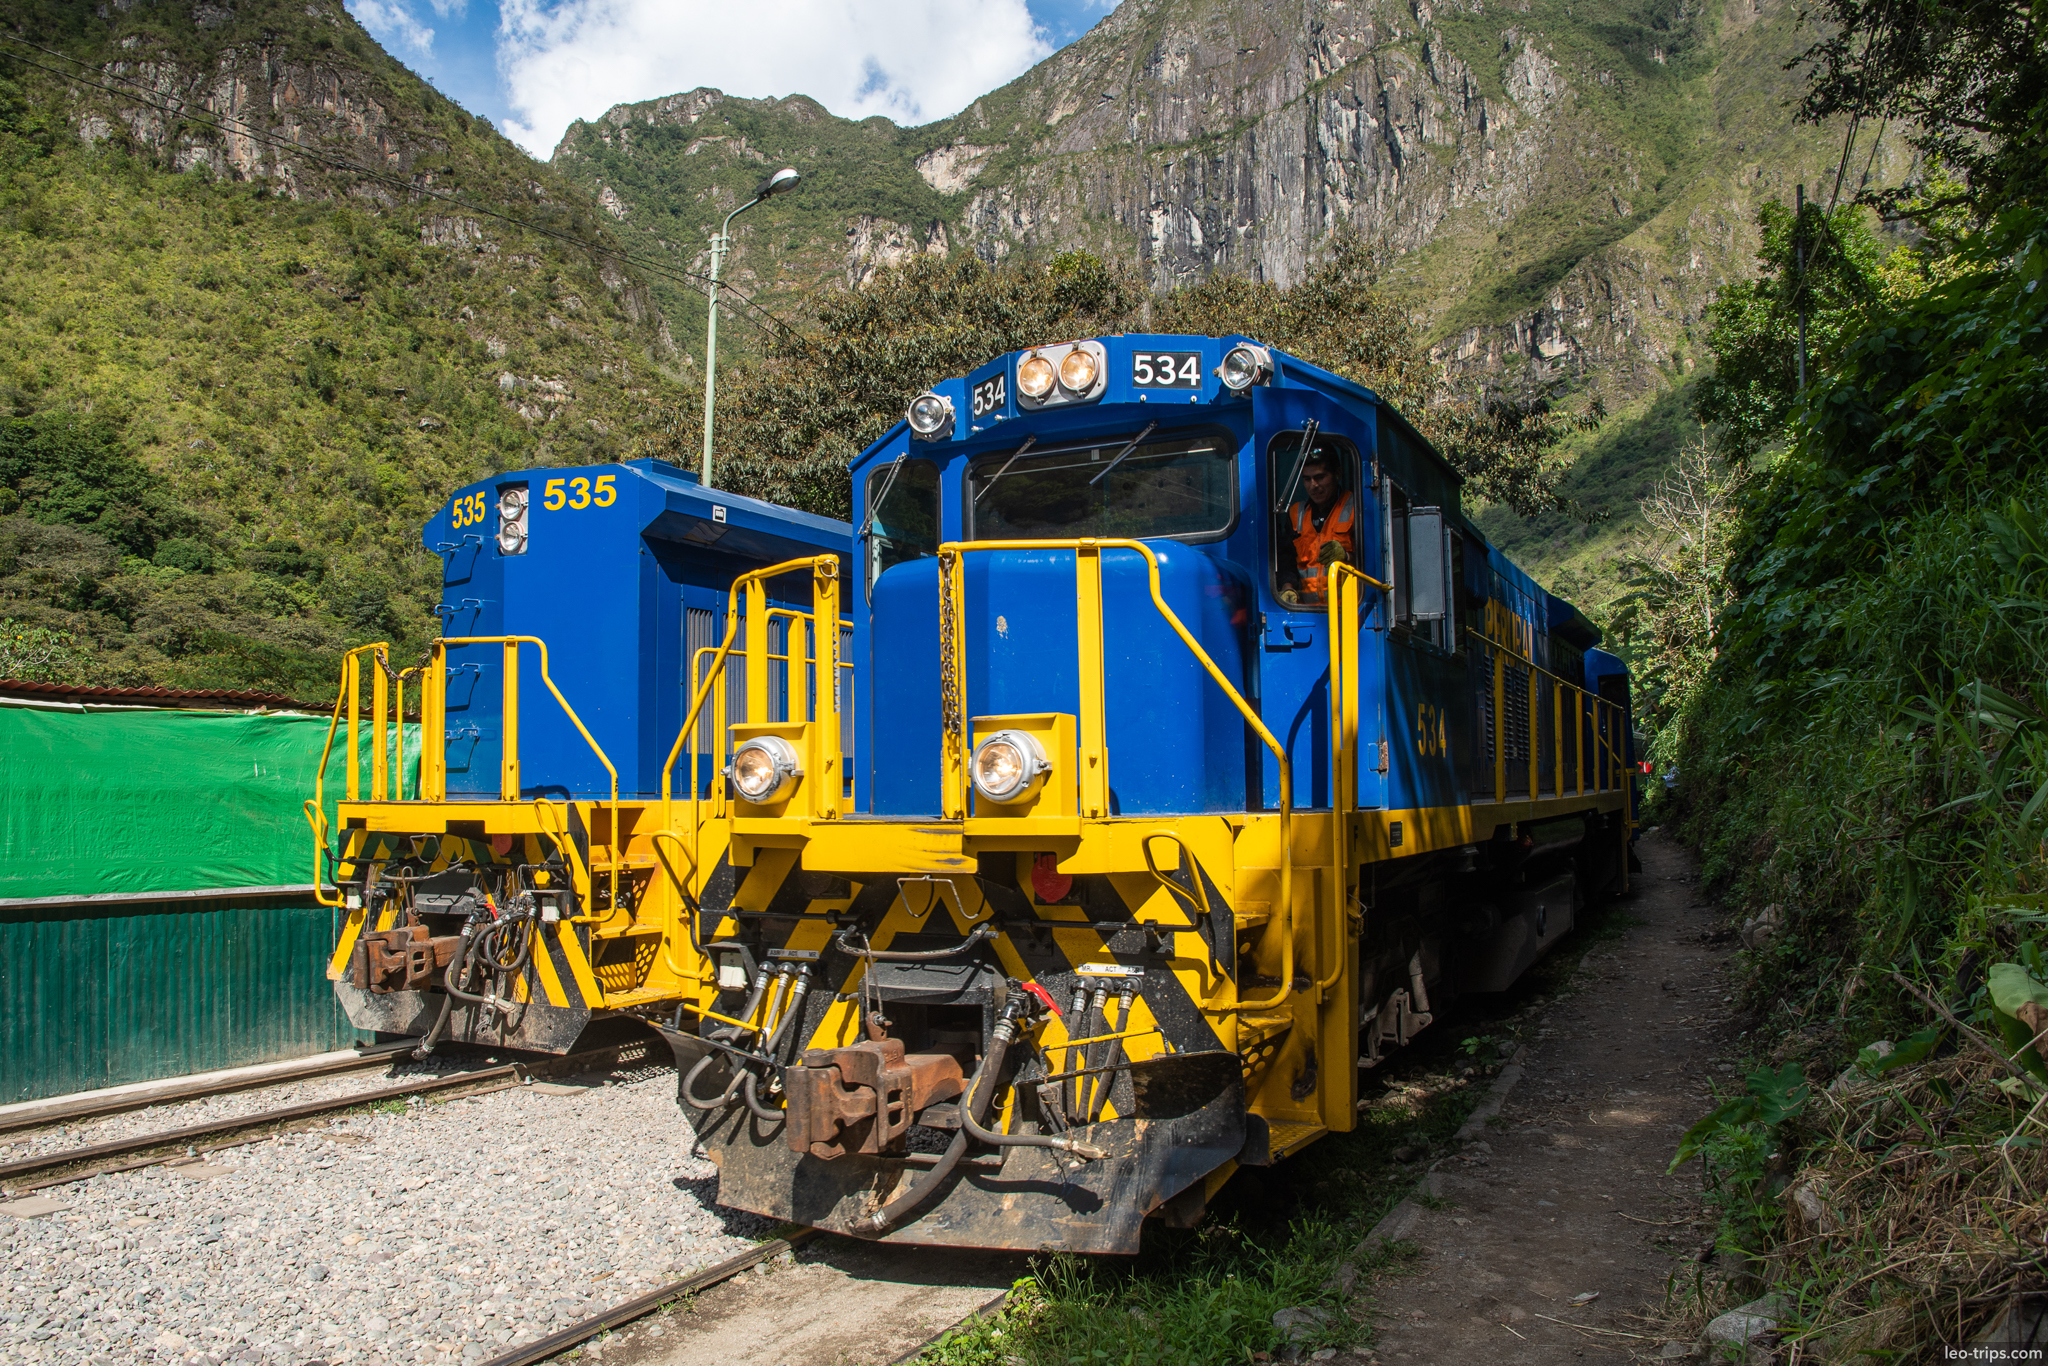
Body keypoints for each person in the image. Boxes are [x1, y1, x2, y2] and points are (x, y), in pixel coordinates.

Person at [1277, 449, 1356, 607]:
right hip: (1306, 614)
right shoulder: (1296, 514)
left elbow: (1373, 561)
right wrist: (1287, 588)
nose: (1313, 485)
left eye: (1320, 477)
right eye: (1307, 479)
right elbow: (1287, 561)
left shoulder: (1356, 508)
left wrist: (1346, 557)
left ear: (1337, 474)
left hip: (1349, 613)